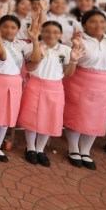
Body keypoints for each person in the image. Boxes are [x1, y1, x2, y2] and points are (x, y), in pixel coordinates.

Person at [62, 10, 106, 170]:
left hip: (105, 84)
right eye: (93, 22)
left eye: (102, 22)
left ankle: (85, 151)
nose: (98, 25)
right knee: (76, 115)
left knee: (97, 117)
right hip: (80, 81)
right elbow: (68, 63)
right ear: (84, 24)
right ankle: (73, 149)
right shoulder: (77, 40)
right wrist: (75, 46)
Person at [19, 21, 82, 167]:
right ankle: (30, 148)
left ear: (61, 34)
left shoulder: (66, 50)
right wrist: (39, 52)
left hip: (55, 88)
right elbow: (29, 68)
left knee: (49, 118)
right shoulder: (32, 46)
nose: (51, 35)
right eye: (47, 31)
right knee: (32, 117)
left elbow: (69, 73)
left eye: (55, 32)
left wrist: (73, 61)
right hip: (35, 85)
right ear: (42, 32)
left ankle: (40, 150)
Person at [0, 14, 38, 162]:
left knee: (7, 115)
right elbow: (2, 54)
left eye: (13, 27)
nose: (9, 30)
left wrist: (34, 40)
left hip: (14, 83)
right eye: (5, 27)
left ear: (18, 30)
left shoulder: (22, 45)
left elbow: (35, 59)